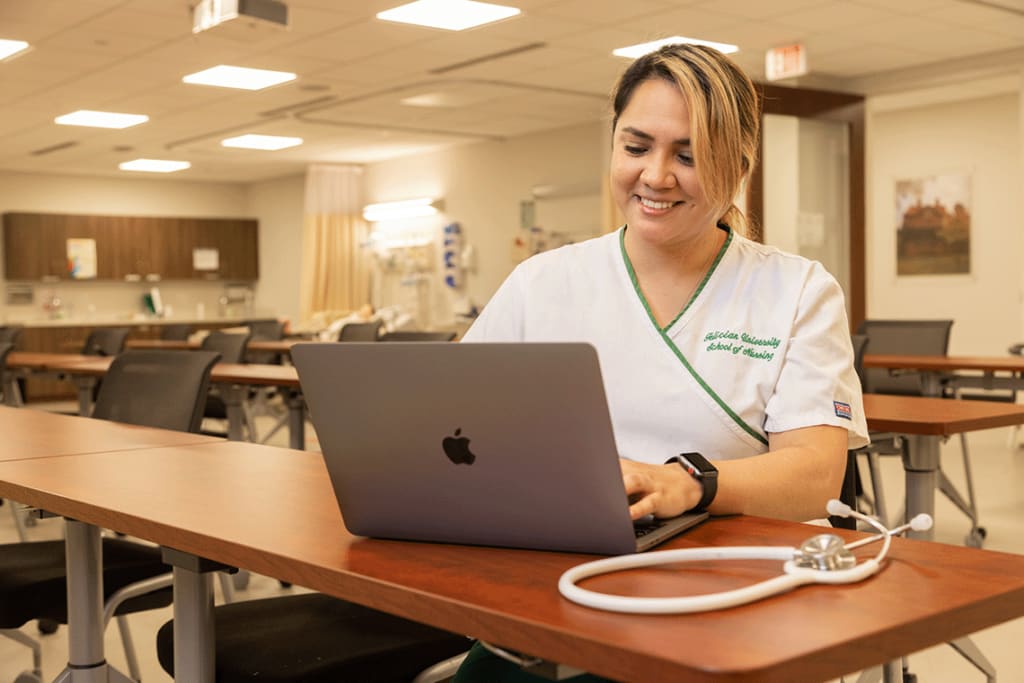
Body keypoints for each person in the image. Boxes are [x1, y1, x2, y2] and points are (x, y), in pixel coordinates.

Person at [453, 42, 869, 682]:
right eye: (636, 146)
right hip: (558, 575)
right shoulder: (542, 282)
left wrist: (691, 484)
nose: (655, 176)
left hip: (726, 584)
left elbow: (815, 475)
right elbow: (451, 425)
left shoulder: (797, 291)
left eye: (689, 155)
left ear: (739, 165)